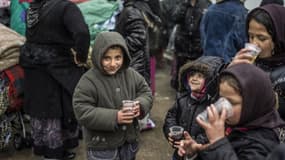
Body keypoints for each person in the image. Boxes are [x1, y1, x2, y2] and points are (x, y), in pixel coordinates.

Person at [19, 0, 90, 158]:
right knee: (56, 108)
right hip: (56, 68)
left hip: (32, 65)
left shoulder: (35, 6)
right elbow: (82, 33)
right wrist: (81, 56)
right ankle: (55, 151)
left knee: (42, 109)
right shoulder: (66, 7)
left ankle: (48, 149)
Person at [73, 31, 153, 160]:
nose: (113, 63)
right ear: (98, 56)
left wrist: (141, 105)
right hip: (102, 146)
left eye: (118, 58)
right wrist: (115, 117)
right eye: (107, 58)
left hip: (128, 142)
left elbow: (145, 92)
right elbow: (82, 110)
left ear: (124, 56)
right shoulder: (88, 81)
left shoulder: (131, 74)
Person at [178, 63, 285, 159]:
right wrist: (197, 152)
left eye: (232, 102)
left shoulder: (263, 145)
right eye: (222, 99)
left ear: (253, 104)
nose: (223, 107)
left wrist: (218, 142)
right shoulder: (237, 124)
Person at [163, 56, 225, 160]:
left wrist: (195, 142)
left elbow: (213, 130)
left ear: (210, 81)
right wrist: (170, 131)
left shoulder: (213, 105)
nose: (194, 78)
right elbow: (171, 117)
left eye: (200, 76)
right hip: (180, 153)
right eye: (191, 75)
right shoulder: (181, 99)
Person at [230, 4, 285, 120]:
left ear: (278, 39)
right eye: (250, 36)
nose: (254, 43)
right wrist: (231, 72)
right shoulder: (249, 62)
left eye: (262, 38)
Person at [170, 0, 211, 90]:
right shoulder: (182, 4)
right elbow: (174, 18)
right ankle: (180, 93)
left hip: (198, 48)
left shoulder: (206, 4)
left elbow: (208, 25)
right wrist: (184, 5)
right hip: (182, 47)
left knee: (197, 75)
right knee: (181, 75)